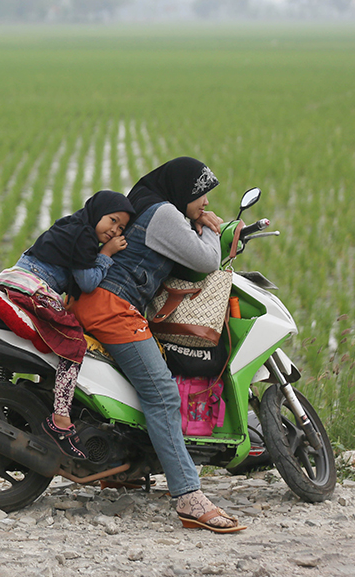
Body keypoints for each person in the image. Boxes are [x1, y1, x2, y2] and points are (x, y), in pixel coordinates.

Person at [70, 157, 245, 533]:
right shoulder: (164, 213)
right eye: (202, 196)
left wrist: (195, 222)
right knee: (163, 393)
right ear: (184, 191)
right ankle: (189, 496)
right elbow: (206, 260)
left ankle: (120, 470)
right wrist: (210, 228)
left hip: (95, 300)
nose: (206, 204)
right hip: (113, 307)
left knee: (133, 383)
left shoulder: (149, 204)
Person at [12, 190, 134, 459]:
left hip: (21, 280)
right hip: (32, 286)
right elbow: (87, 282)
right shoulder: (84, 236)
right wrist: (106, 254)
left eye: (121, 228)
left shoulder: (74, 226)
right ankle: (60, 418)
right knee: (73, 342)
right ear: (97, 213)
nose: (115, 231)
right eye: (112, 220)